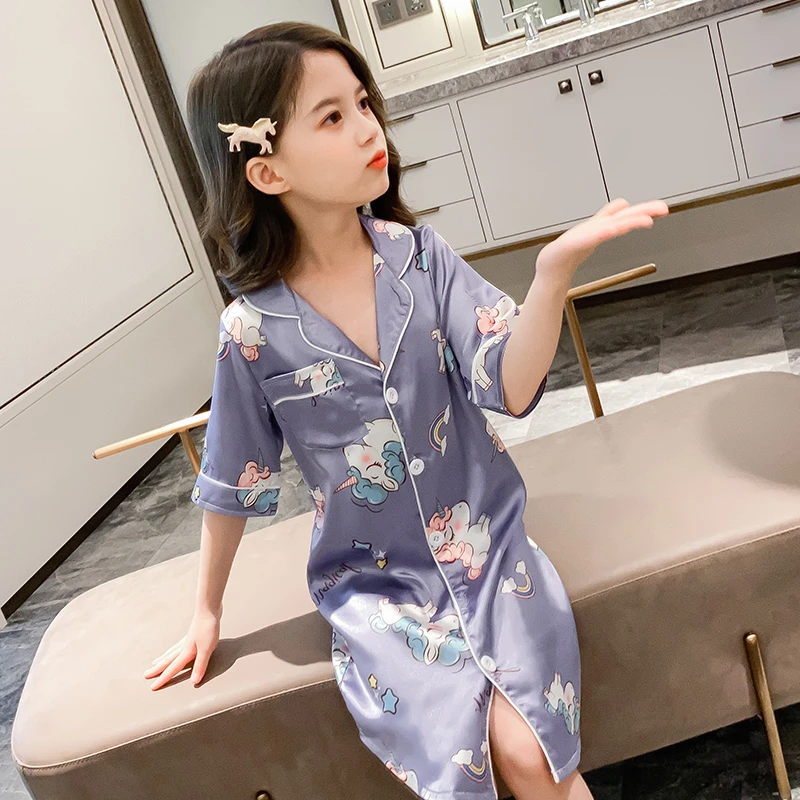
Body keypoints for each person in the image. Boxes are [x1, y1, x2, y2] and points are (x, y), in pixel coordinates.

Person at [144, 21, 668, 800]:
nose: (369, 128)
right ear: (267, 171)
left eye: (364, 103)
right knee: (477, 762)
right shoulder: (250, 332)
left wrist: (549, 279)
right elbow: (231, 479)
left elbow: (509, 384)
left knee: (529, 752)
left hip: (489, 549)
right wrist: (206, 612)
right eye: (332, 116)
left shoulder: (423, 260)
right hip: (378, 595)